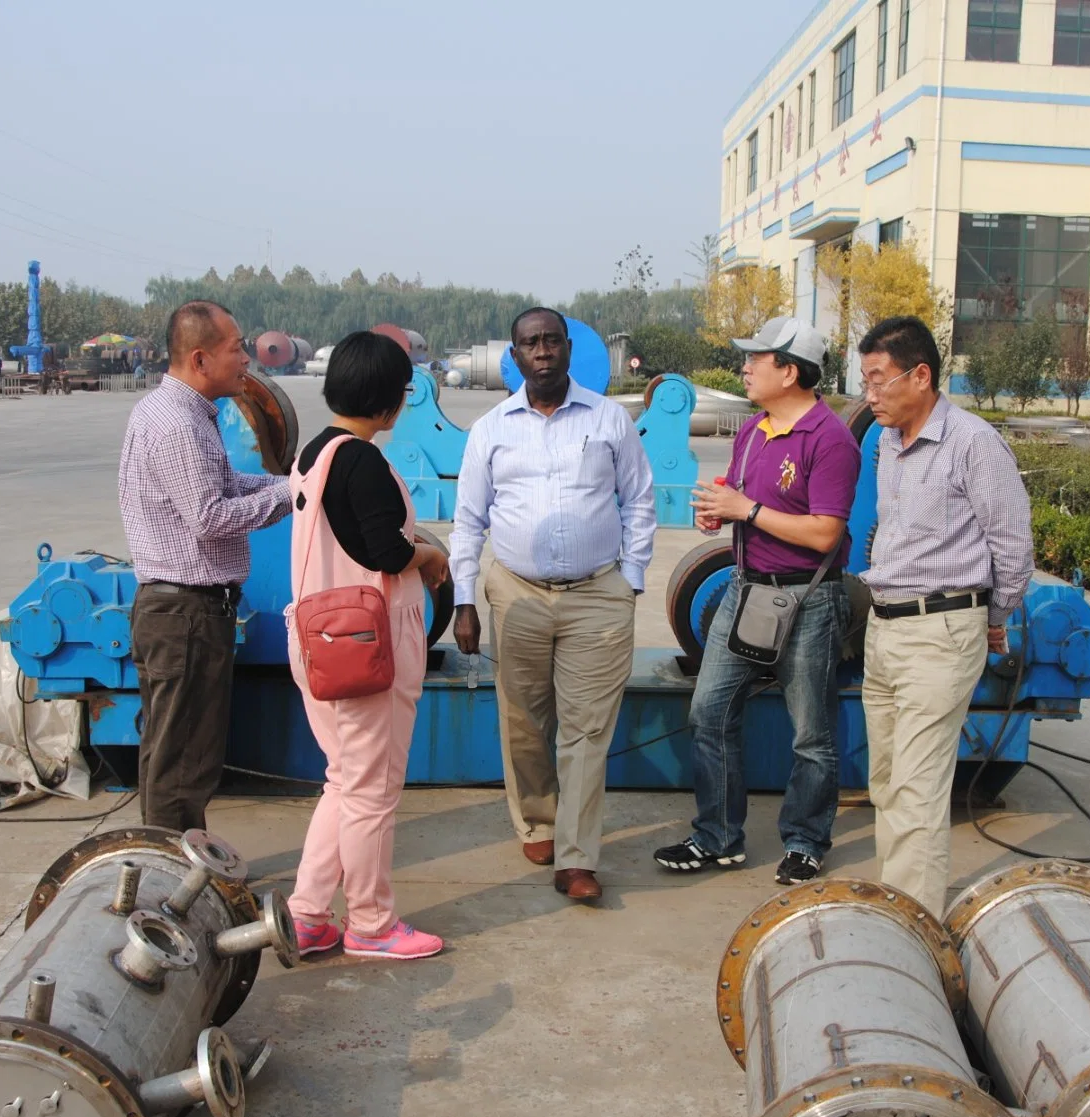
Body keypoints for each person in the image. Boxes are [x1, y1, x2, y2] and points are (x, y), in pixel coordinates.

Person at [451, 307, 657, 903]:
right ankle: (538, 820)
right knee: (523, 723)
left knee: (588, 730)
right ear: (513, 358)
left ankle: (576, 856)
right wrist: (465, 598)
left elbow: (638, 501)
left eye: (550, 341)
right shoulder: (490, 428)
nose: (540, 352)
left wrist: (631, 580)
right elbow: (468, 522)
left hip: (598, 595)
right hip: (516, 592)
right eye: (528, 344)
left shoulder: (609, 418)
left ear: (568, 349)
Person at [652, 318, 860, 885]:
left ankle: (806, 840)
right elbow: (746, 505)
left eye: (756, 359)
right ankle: (717, 837)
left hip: (809, 602)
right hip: (746, 593)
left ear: (790, 370)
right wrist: (720, 513)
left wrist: (747, 512)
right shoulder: (753, 431)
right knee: (709, 711)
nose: (744, 368)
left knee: (811, 734)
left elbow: (824, 535)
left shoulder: (829, 440)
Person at [855, 315, 1034, 916]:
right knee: (884, 782)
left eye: (879, 381)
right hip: (884, 630)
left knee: (916, 791)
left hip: (942, 631)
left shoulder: (973, 444)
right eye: (865, 381)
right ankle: (897, 904)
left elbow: (1012, 546)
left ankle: (911, 927)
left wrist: (993, 615)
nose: (869, 395)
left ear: (921, 375)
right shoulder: (888, 441)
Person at [285, 331, 451, 960]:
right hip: (362, 651)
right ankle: (372, 924)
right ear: (389, 404)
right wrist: (431, 556)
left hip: (319, 641)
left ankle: (307, 913)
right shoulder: (361, 460)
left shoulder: (314, 454)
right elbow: (383, 550)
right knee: (373, 791)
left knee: (345, 782)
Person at [118, 300, 292, 831]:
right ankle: (168, 870)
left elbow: (226, 487)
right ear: (199, 358)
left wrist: (289, 485)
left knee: (173, 750)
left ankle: (172, 855)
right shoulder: (177, 424)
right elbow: (211, 516)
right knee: (184, 758)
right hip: (186, 615)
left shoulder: (182, 413)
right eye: (236, 348)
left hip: (181, 612)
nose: (246, 359)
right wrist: (297, 496)